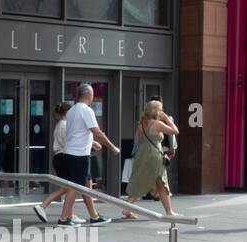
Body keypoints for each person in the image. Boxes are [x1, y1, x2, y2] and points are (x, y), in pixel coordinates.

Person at [54, 84, 120, 226]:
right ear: (89, 95)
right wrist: (113, 147)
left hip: (71, 153)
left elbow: (80, 132)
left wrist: (92, 143)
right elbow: (97, 131)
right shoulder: (86, 110)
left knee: (84, 186)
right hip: (79, 155)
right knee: (76, 187)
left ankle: (94, 216)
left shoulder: (72, 111)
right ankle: (64, 218)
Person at [121, 100, 179, 219]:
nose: (162, 112)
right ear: (156, 111)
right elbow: (175, 131)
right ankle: (169, 212)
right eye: (161, 109)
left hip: (141, 155)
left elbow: (136, 142)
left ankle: (127, 208)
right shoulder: (157, 124)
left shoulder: (141, 124)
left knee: (139, 181)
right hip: (154, 155)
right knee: (162, 182)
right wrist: (167, 119)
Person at [35, 103, 77, 222]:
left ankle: (69, 215)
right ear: (68, 112)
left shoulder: (60, 125)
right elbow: (68, 143)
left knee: (68, 188)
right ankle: (43, 205)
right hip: (64, 157)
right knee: (68, 188)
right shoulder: (65, 126)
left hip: (59, 157)